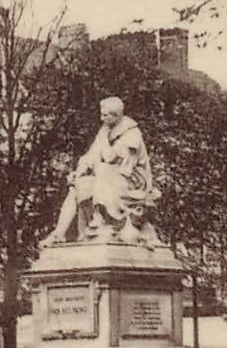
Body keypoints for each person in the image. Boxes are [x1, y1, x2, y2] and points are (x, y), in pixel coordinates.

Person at [42, 96, 160, 247]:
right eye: (101, 114)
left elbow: (112, 158)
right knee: (79, 185)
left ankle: (99, 216)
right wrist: (79, 172)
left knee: (103, 169)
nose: (101, 118)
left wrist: (102, 142)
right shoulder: (106, 129)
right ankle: (59, 233)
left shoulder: (132, 134)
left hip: (132, 182)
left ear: (116, 116)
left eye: (105, 115)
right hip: (109, 180)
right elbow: (91, 155)